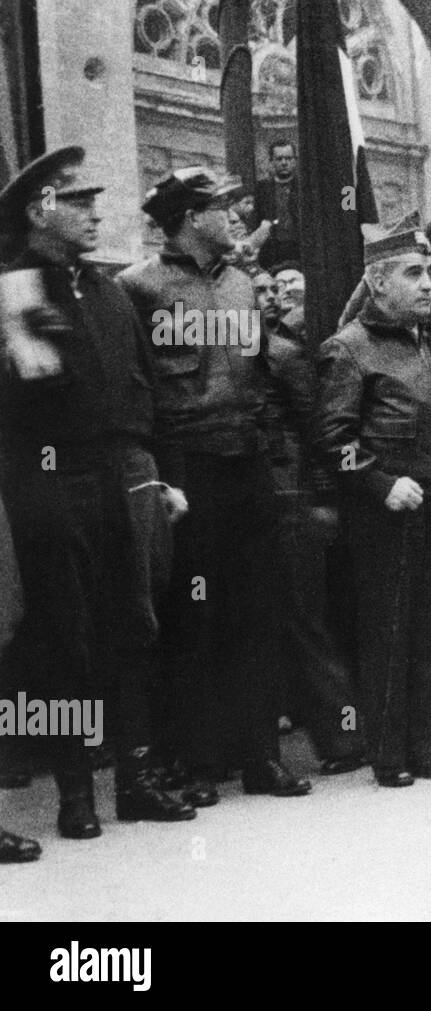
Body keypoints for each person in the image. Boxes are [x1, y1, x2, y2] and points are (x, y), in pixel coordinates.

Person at [0, 146, 195, 842]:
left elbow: (152, 389)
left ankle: (137, 780)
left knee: (135, 624)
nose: (92, 213)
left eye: (92, 201)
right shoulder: (17, 288)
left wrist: (165, 474)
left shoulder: (110, 292)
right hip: (53, 475)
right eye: (74, 201)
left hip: (126, 470)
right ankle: (77, 791)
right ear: (36, 211)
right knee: (67, 637)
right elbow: (33, 387)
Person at [119, 167, 311, 802]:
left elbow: (259, 371)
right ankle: (197, 764)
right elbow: (137, 390)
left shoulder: (238, 284)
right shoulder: (138, 287)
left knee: (257, 610)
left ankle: (260, 757)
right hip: (188, 468)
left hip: (247, 462)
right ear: (186, 218)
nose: (233, 215)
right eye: (220, 206)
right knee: (192, 616)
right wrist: (160, 477)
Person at [317, 214, 431, 786]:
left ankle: (428, 747)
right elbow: (333, 440)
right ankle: (388, 755)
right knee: (389, 631)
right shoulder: (349, 349)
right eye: (413, 273)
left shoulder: (429, 346)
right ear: (377, 283)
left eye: (429, 272)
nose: (428, 283)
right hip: (386, 510)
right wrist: (382, 483)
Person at [253, 269, 366, 775]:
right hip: (274, 495)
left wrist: (320, 497)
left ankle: (343, 739)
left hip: (290, 498)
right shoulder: (264, 349)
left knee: (304, 622)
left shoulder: (279, 352)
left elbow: (316, 428)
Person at [254, 140, 300, 268]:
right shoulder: (262, 189)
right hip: (272, 253)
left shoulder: (304, 188)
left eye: (288, 158)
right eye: (279, 159)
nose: (284, 163)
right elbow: (257, 219)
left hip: (299, 251)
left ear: (295, 161)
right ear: (271, 161)